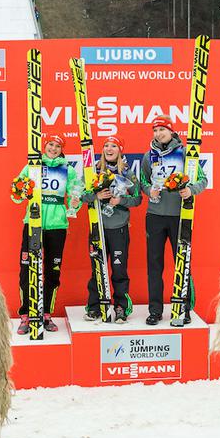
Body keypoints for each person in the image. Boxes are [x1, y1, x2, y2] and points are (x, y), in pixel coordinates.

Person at [138, 116, 208, 325]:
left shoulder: (186, 153)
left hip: (179, 215)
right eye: (155, 130)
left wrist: (191, 190)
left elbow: (203, 179)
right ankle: (155, 310)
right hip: (155, 216)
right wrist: (150, 191)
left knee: (182, 262)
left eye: (162, 129)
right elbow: (143, 181)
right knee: (154, 265)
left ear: (171, 131)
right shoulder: (148, 155)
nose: (158, 134)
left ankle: (183, 308)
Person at [12, 133, 81, 334]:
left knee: (52, 271)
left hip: (57, 225)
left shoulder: (67, 169)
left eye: (57, 146)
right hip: (33, 222)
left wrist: (75, 203)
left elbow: (75, 191)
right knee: (26, 270)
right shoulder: (32, 165)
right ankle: (26, 315)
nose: (53, 149)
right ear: (45, 146)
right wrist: (20, 191)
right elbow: (17, 192)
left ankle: (46, 314)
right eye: (50, 144)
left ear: (62, 150)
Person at [80, 136, 141, 323]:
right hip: (98, 227)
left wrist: (120, 200)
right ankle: (95, 306)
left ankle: (121, 307)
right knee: (97, 267)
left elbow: (137, 199)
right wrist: (96, 195)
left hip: (118, 228)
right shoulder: (93, 171)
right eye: (106, 145)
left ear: (120, 150)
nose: (109, 148)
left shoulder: (129, 174)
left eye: (113, 145)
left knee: (118, 268)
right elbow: (82, 196)